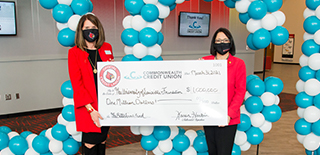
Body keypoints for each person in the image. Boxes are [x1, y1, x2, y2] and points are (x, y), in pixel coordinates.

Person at [68, 14, 114, 155]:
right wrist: (91, 110)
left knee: (102, 140)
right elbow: (77, 85)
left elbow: (112, 75)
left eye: (93, 27)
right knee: (90, 142)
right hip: (88, 106)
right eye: (87, 28)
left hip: (105, 103)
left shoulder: (106, 47)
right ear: (81, 31)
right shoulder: (74, 53)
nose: (91, 30)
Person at [200, 27, 246, 155]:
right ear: (214, 43)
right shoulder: (205, 61)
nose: (222, 43)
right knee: (212, 151)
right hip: (209, 115)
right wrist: (196, 70)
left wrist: (228, 114)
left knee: (224, 152)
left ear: (230, 43)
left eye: (225, 40)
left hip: (228, 118)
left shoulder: (238, 64)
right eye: (218, 40)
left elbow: (240, 92)